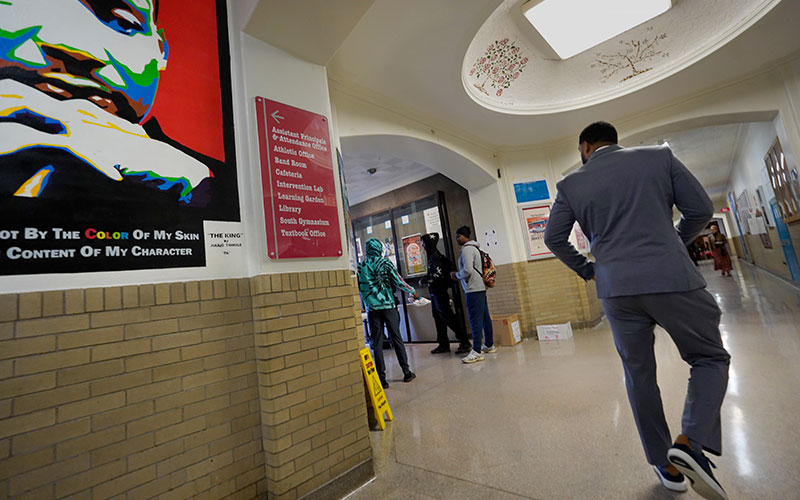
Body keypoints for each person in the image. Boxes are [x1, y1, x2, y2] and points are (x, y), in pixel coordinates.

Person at [544, 122, 731, 500]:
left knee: (638, 375)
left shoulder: (571, 184)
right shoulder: (658, 157)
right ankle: (691, 443)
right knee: (709, 357)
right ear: (615, 141)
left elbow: (553, 238)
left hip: (615, 289)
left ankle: (666, 465)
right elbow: (700, 208)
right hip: (671, 276)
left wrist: (588, 269)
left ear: (585, 147)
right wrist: (673, 243)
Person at [0, 0, 225, 208]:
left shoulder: (207, 181)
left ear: (161, 50)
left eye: (123, 22)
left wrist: (198, 191)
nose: (77, 51)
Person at [358, 238, 417, 388]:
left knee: (376, 343)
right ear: (379, 249)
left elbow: (360, 287)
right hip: (388, 306)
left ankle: (381, 378)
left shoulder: (361, 266)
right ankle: (406, 372)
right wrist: (412, 291)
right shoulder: (385, 263)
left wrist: (364, 303)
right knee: (396, 338)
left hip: (373, 309)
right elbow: (398, 281)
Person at [451, 225, 495, 364]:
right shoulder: (475, 248)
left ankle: (476, 351)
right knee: (484, 317)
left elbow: (468, 270)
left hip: (473, 289)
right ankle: (489, 344)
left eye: (458, 236)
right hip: (480, 287)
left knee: (475, 319)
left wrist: (457, 275)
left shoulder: (467, 250)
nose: (457, 239)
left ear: (465, 237)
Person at [421, 233, 471, 355]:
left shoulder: (435, 257)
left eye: (423, 242)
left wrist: (425, 280)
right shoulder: (432, 256)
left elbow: (437, 276)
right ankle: (443, 344)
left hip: (440, 293)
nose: (422, 245)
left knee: (448, 317)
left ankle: (464, 341)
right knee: (438, 318)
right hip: (435, 293)